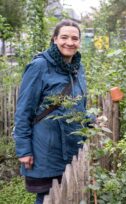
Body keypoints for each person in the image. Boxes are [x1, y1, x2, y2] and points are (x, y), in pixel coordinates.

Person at [14, 19, 88, 204]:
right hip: (46, 149)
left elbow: (78, 107)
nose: (69, 42)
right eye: (64, 37)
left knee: (69, 195)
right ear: (54, 39)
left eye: (74, 38)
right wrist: (24, 149)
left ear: (79, 42)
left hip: (72, 147)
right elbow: (23, 111)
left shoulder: (78, 69)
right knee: (48, 197)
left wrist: (92, 119)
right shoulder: (39, 66)